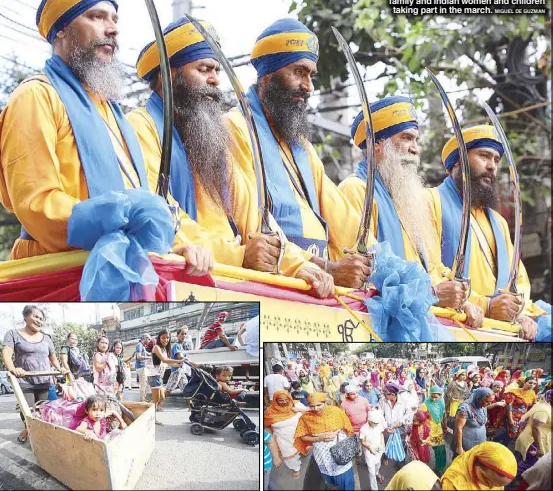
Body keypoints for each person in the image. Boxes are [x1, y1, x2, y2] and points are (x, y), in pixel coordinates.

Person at [0, 0, 213, 274]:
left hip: (124, 265)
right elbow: (37, 205)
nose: (112, 29)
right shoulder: (35, 97)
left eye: (113, 19)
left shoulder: (114, 113)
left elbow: (153, 200)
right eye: (97, 17)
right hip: (55, 272)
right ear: (61, 30)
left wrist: (181, 245)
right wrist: (121, 215)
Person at [128, 17, 332, 298]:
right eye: (204, 69)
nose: (215, 80)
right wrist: (238, 255)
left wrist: (297, 265)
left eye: (216, 71)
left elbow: (253, 214)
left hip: (227, 279)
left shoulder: (208, 136)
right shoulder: (140, 127)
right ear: (167, 75)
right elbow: (159, 215)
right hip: (178, 280)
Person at [225, 18, 375, 289]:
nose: (309, 86)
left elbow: (345, 223)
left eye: (310, 76)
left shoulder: (302, 147)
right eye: (298, 72)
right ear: (269, 75)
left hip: (317, 286)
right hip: (270, 286)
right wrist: (326, 267)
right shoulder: (234, 127)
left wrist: (390, 270)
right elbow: (253, 228)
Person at [339, 97, 482, 327]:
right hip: (377, 324)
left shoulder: (411, 199)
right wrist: (432, 293)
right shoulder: (356, 190)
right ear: (377, 143)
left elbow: (432, 268)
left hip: (422, 320)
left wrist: (462, 298)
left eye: (416, 140)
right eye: (406, 138)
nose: (415, 148)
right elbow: (367, 272)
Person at [428, 125, 551, 341]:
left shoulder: (499, 222)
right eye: (484, 156)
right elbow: (426, 268)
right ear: (458, 161)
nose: (492, 166)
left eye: (496, 159)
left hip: (502, 326)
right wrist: (484, 305)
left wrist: (517, 311)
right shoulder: (430, 201)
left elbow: (518, 278)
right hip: (456, 321)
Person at [2, 305, 69, 443]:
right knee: (28, 411)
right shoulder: (13, 334)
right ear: (25, 316)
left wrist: (60, 368)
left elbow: (53, 357)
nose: (39, 320)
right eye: (36, 316)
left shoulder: (46, 338)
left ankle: (39, 435)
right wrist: (14, 369)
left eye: (41, 319)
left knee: (43, 410)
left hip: (44, 380)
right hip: (24, 380)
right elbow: (6, 354)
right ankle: (29, 430)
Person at [293, 392, 356, 490]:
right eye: (312, 406)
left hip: (340, 451)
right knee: (328, 476)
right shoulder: (305, 418)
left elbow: (346, 425)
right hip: (322, 454)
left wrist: (336, 432)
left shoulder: (336, 411)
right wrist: (319, 438)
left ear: (325, 402)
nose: (316, 409)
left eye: (319, 405)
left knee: (345, 479)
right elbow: (301, 436)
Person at [441, 441, 517, 490]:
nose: (490, 487)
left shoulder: (495, 479)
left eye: (499, 485)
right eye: (486, 480)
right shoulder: (453, 484)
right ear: (476, 463)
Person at [264, 390, 303, 478]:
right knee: (290, 457)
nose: (284, 402)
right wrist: (271, 438)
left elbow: (309, 413)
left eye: (286, 399)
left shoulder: (296, 405)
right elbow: (266, 426)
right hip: (283, 439)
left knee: (300, 452)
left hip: (299, 435)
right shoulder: (269, 412)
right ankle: (296, 468)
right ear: (275, 400)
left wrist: (300, 410)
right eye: (281, 400)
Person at [513, 389, 552, 478]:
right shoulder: (543, 410)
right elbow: (536, 428)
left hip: (533, 438)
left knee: (524, 461)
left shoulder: (543, 404)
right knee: (529, 464)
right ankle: (514, 482)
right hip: (533, 441)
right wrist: (540, 448)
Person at [149, 329, 184, 425]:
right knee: (156, 399)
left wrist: (179, 364)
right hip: (153, 375)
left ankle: (147, 409)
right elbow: (164, 360)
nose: (165, 340)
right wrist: (178, 361)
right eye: (163, 338)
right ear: (159, 338)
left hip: (159, 376)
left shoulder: (164, 350)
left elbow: (167, 364)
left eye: (167, 337)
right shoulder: (156, 347)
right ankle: (152, 418)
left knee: (161, 397)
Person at [454, 387, 495, 456]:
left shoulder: (481, 406)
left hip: (480, 441)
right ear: (479, 398)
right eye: (487, 401)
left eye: (491, 402)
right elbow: (458, 428)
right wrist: (459, 447)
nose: (489, 404)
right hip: (467, 442)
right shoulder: (465, 409)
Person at [379, 383, 409, 470]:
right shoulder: (382, 400)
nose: (383, 395)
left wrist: (401, 421)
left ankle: (401, 462)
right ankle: (385, 456)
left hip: (401, 427)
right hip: (387, 428)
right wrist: (385, 426)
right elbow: (380, 415)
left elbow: (409, 413)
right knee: (386, 442)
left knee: (402, 444)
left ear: (393, 394)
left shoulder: (404, 400)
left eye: (385, 393)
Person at [420, 386, 448, 477]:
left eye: (436, 397)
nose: (434, 399)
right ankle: (420, 470)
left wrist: (445, 427)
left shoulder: (441, 403)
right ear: (429, 394)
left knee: (440, 450)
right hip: (428, 431)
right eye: (432, 397)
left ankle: (439, 468)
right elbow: (421, 419)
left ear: (440, 396)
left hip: (438, 429)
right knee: (423, 450)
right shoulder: (425, 405)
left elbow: (444, 415)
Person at [340, 384, 370, 464]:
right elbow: (343, 418)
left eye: (356, 393)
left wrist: (368, 424)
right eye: (352, 394)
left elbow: (369, 411)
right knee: (357, 444)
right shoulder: (344, 404)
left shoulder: (363, 400)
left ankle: (368, 459)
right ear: (347, 394)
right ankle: (359, 455)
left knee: (366, 443)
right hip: (354, 429)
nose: (355, 395)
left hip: (365, 427)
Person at [504, 376, 538, 443]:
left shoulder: (532, 393)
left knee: (520, 435)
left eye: (534, 384)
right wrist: (511, 419)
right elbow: (509, 406)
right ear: (525, 382)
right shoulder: (514, 392)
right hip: (513, 417)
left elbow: (533, 406)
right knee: (511, 435)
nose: (532, 385)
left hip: (523, 417)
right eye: (530, 383)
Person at [360, 409, 386, 489]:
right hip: (369, 452)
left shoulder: (379, 424)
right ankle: (374, 488)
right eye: (375, 423)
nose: (376, 425)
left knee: (378, 464)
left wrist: (382, 444)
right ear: (369, 421)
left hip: (378, 449)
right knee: (371, 472)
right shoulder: (363, 429)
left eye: (377, 423)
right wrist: (370, 448)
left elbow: (381, 434)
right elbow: (362, 441)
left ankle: (377, 473)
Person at [135, 334, 152, 402]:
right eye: (148, 339)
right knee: (143, 384)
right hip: (141, 367)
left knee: (148, 382)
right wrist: (149, 358)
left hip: (143, 367)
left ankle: (143, 398)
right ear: (144, 338)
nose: (149, 341)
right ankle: (142, 399)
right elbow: (138, 356)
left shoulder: (142, 346)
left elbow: (147, 353)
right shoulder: (139, 345)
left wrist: (153, 353)